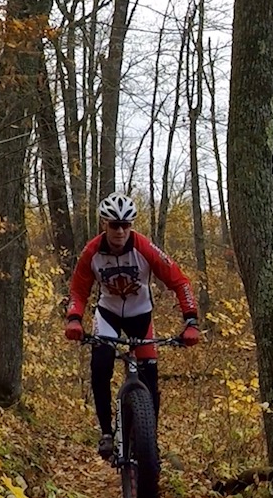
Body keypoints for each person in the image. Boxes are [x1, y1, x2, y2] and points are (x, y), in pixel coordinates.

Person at [63, 192, 201, 459]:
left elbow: (179, 281)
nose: (120, 231)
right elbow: (78, 289)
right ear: (104, 223)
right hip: (108, 315)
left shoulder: (144, 248)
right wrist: (74, 319)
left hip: (141, 316)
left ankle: (150, 440)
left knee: (150, 378)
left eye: (127, 225)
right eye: (115, 225)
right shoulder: (92, 251)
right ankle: (106, 433)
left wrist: (191, 320)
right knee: (100, 365)